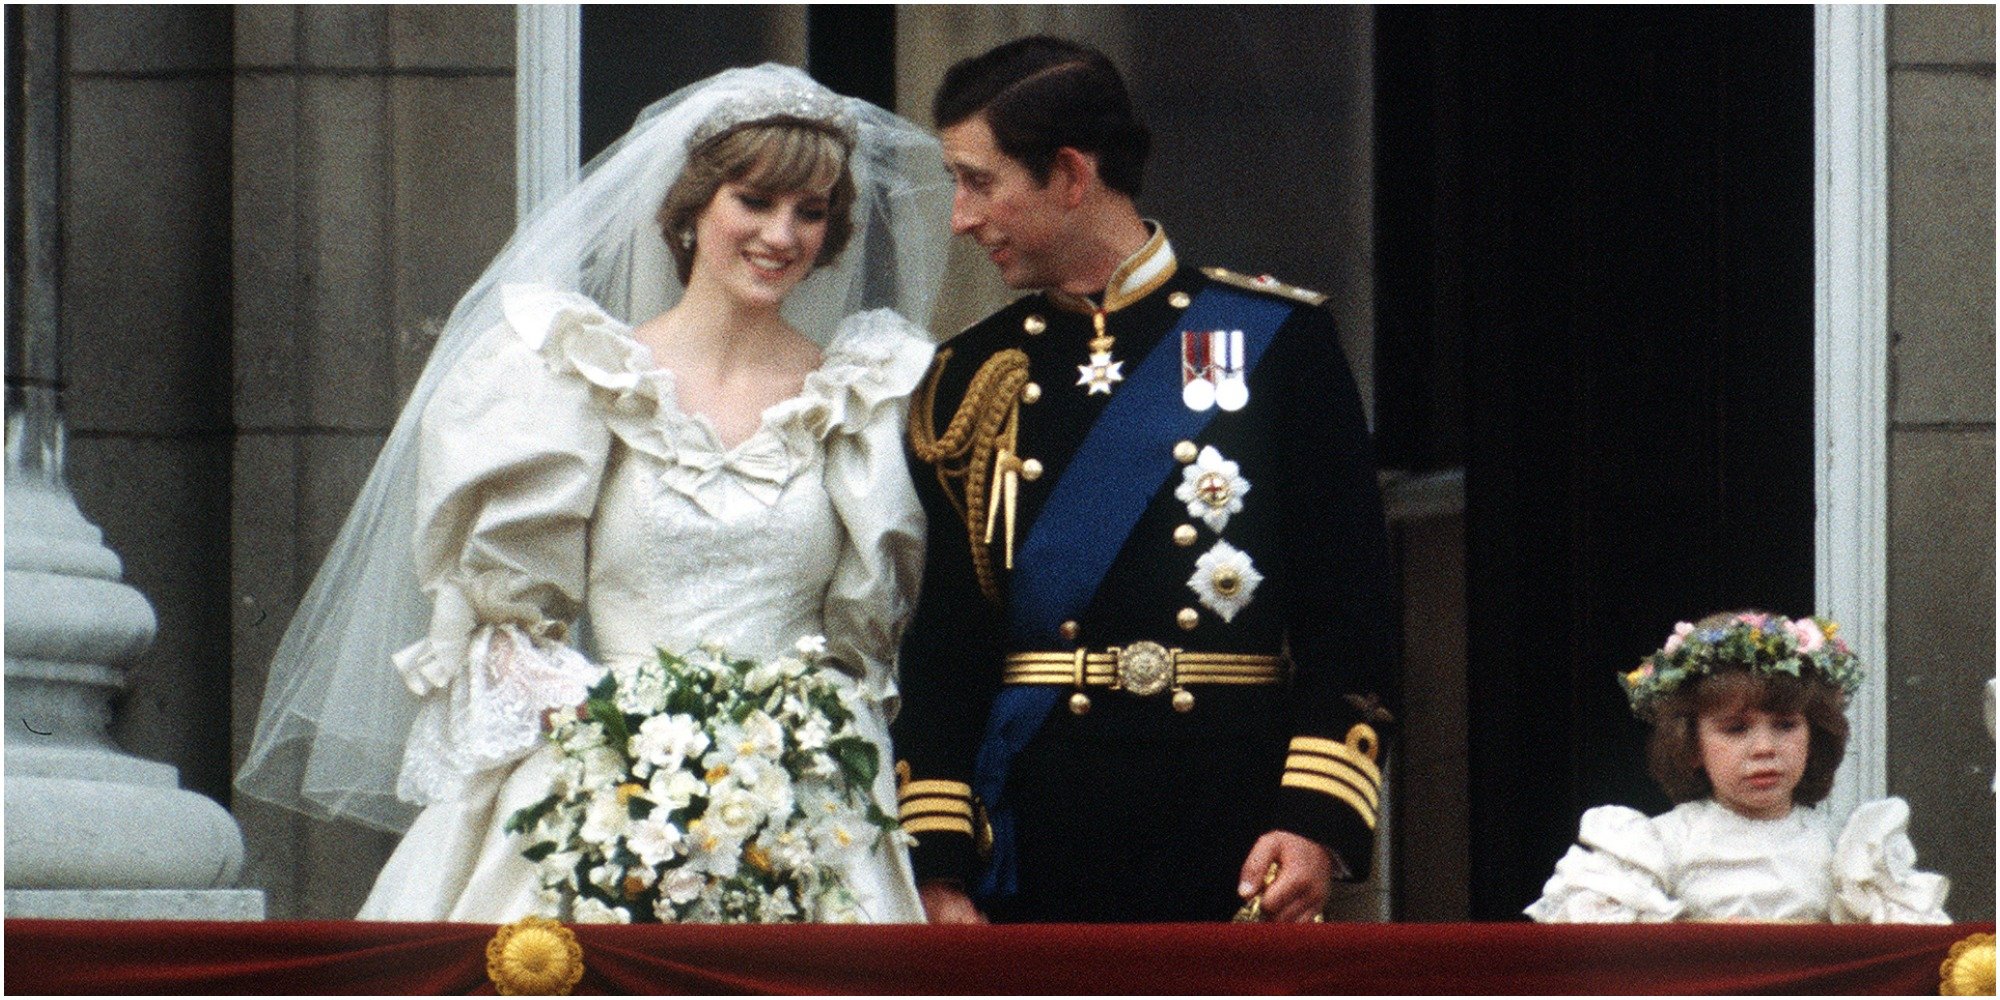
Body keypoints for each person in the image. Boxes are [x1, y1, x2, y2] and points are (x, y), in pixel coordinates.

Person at [235, 64, 953, 923]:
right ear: (692, 207)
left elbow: (870, 646)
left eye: (811, 211)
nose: (781, 234)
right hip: (600, 786)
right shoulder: (573, 375)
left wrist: (777, 749)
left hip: (801, 808)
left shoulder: (867, 396)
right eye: (754, 201)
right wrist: (626, 735)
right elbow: (502, 625)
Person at [893, 37, 1397, 924]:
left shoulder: (1275, 342)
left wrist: (1313, 818)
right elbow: (942, 651)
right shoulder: (971, 375)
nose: (960, 219)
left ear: (1071, 174)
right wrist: (937, 865)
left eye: (978, 182)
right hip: (1032, 835)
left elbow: (1349, 617)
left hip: (1235, 823)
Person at [1526, 611, 1951, 923]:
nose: (1764, 748)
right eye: (1734, 730)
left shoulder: (1847, 851)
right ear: (1692, 746)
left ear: (1815, 736)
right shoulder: (1657, 847)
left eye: (1785, 726)